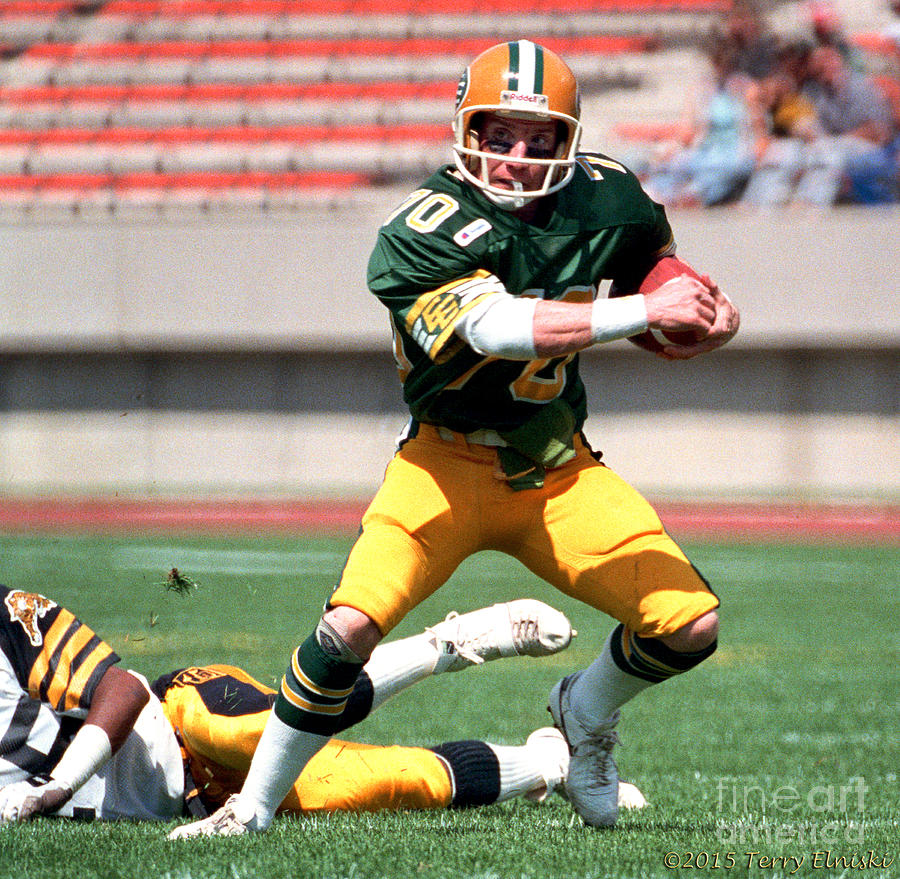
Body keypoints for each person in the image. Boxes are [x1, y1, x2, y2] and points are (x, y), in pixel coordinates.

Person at [172, 39, 738, 837]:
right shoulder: (421, 229)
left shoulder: (606, 194)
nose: (517, 157)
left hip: (556, 468)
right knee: (347, 630)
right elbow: (502, 327)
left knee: (690, 624)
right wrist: (649, 315)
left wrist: (702, 307)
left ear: (568, 142)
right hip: (441, 463)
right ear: (465, 132)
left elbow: (654, 265)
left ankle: (583, 714)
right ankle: (253, 807)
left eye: (540, 140)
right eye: (500, 135)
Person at [0, 584, 651, 824]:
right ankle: (554, 765)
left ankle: (449, 643)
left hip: (175, 717)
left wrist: (61, 783)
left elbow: (116, 685)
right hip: (194, 801)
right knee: (396, 781)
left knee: (247, 734)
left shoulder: (5, 615)